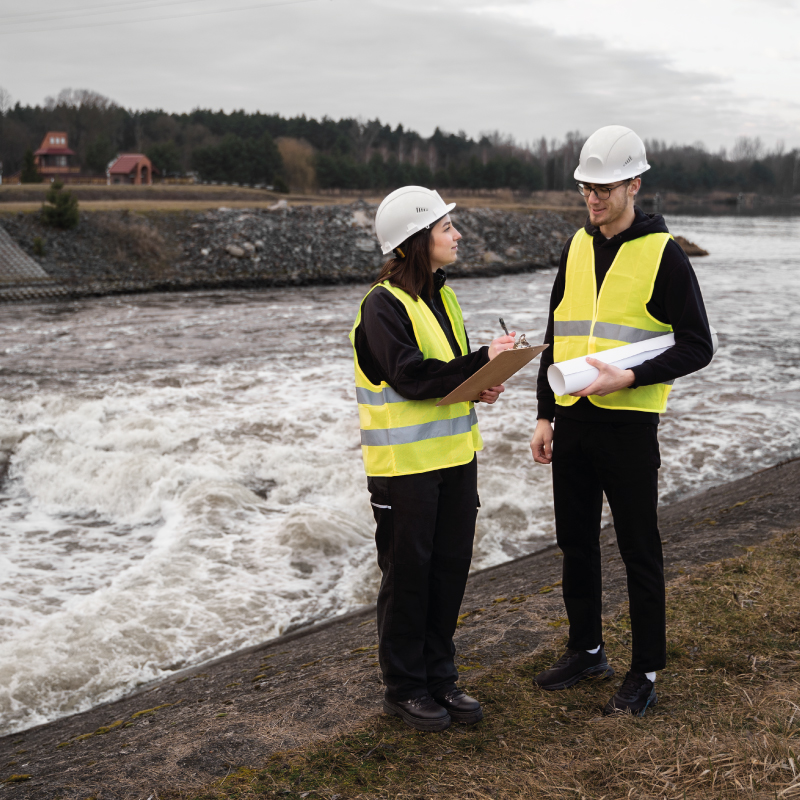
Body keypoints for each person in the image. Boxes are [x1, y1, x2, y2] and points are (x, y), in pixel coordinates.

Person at [530, 126, 714, 716]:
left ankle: (646, 671)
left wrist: (631, 377)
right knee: (575, 544)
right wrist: (543, 413)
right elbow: (557, 333)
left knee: (639, 549)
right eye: (587, 187)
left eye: (605, 187)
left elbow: (698, 345)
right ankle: (587, 650)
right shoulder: (575, 246)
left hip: (630, 428)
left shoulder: (664, 255)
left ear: (635, 184)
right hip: (574, 422)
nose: (594, 198)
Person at [350, 186, 515, 732]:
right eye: (447, 228)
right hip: (404, 471)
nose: (456, 235)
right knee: (408, 576)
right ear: (417, 241)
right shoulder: (381, 305)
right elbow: (411, 376)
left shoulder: (444, 298)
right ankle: (405, 687)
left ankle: (440, 678)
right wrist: (478, 362)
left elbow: (449, 377)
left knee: (448, 571)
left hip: (454, 459)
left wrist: (482, 381)